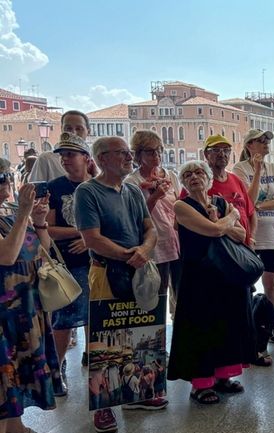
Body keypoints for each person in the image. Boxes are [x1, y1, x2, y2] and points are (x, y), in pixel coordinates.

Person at [74, 136, 168, 433]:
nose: (130, 158)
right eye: (123, 153)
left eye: (130, 153)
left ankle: (136, 394)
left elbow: (149, 227)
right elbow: (92, 238)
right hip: (106, 270)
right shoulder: (87, 192)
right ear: (101, 159)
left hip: (138, 267)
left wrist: (143, 250)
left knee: (139, 331)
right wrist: (129, 255)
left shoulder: (133, 191)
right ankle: (103, 405)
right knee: (107, 337)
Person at [168, 161, 256, 405]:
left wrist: (224, 222)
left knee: (226, 324)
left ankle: (222, 377)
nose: (194, 177)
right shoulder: (181, 206)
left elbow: (240, 235)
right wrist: (233, 216)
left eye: (199, 173)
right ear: (183, 182)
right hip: (198, 277)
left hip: (225, 274)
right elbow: (214, 231)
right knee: (200, 327)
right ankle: (200, 385)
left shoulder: (219, 201)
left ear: (208, 178)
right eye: (187, 174)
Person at [0, 161, 56, 433]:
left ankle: (16, 427)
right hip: (4, 313)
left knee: (17, 374)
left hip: (24, 309)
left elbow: (39, 251)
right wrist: (23, 214)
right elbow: (7, 255)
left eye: (6, 176)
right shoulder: (14, 213)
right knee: (3, 375)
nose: (5, 183)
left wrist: (39, 221)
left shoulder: (8, 213)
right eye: (0, 177)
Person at [232, 129, 274, 351]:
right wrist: (257, 172)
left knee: (271, 282)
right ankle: (247, 328)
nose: (266, 143)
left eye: (268, 140)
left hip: (272, 233)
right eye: (261, 141)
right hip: (249, 234)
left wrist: (257, 206)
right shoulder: (239, 169)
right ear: (250, 145)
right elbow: (246, 198)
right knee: (247, 283)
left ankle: (273, 326)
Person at [45, 132, 93, 396]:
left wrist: (89, 239)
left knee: (93, 315)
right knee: (62, 321)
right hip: (66, 261)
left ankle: (93, 358)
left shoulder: (97, 186)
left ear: (85, 158)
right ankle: (57, 367)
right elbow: (49, 229)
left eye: (70, 154)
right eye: (62, 155)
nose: (65, 160)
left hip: (94, 260)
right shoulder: (56, 187)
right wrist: (83, 234)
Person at [125, 131, 182, 319]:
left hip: (178, 241)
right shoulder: (132, 182)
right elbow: (135, 217)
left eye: (159, 150)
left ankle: (180, 332)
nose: (156, 155)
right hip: (156, 245)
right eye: (150, 152)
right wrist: (155, 197)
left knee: (182, 290)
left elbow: (181, 206)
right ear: (138, 155)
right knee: (158, 290)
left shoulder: (171, 176)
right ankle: (158, 337)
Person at [180, 135, 257, 246]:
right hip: (216, 251)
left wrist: (252, 239)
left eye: (226, 150)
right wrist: (232, 216)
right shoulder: (197, 186)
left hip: (243, 247)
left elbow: (251, 212)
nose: (222, 154)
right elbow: (181, 223)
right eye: (216, 150)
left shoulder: (236, 180)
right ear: (206, 154)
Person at [29, 110, 91, 183]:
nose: (73, 133)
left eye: (78, 129)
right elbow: (35, 190)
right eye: (68, 128)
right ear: (62, 129)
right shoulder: (46, 159)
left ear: (88, 132)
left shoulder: (97, 160)